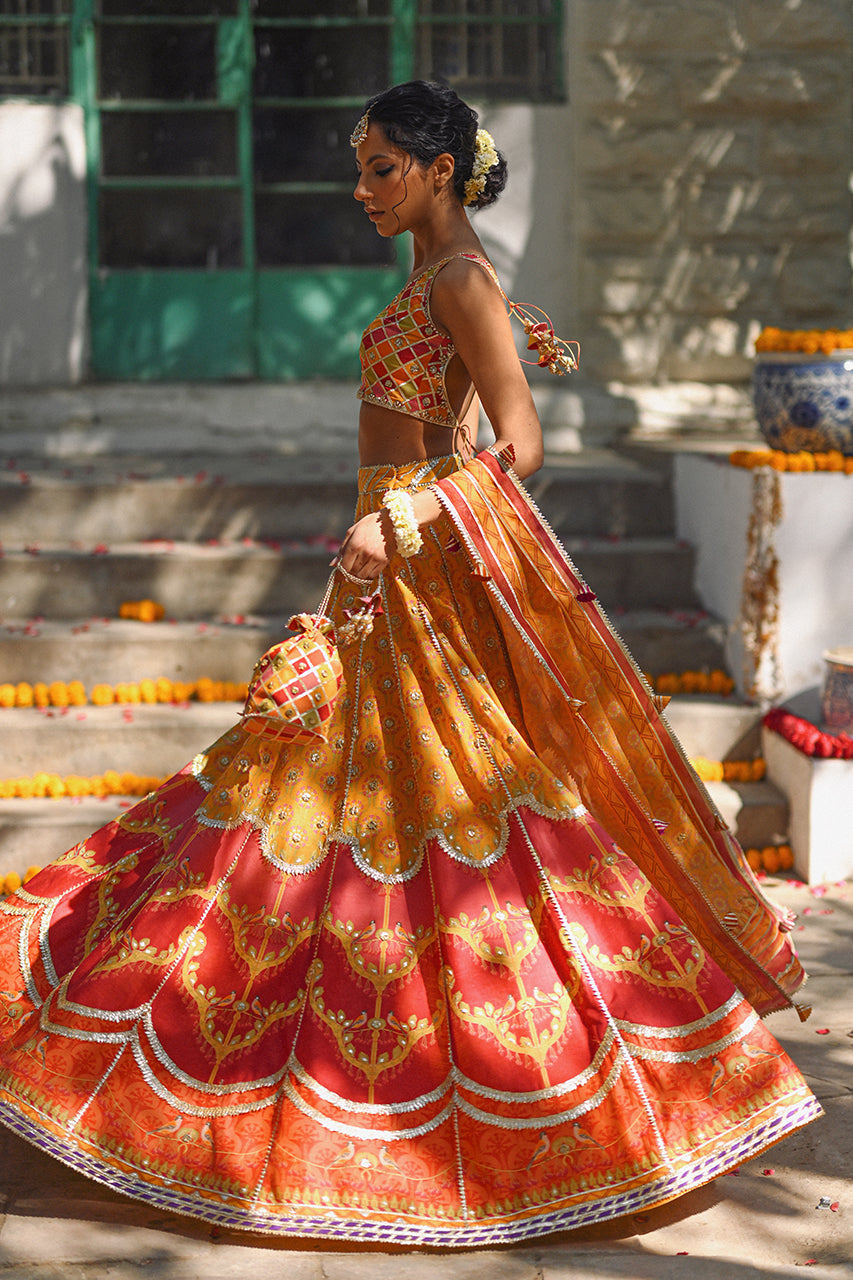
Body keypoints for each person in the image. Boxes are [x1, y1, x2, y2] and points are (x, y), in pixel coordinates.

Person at [0, 80, 819, 1248]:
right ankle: (220, 1040)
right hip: (384, 566)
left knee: (447, 821)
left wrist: (410, 519)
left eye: (381, 167)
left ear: (440, 170)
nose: (361, 187)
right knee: (307, 800)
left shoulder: (463, 279)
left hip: (411, 566)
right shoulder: (435, 275)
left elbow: (521, 441)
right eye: (360, 167)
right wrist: (387, 528)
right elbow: (452, 424)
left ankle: (545, 1087)